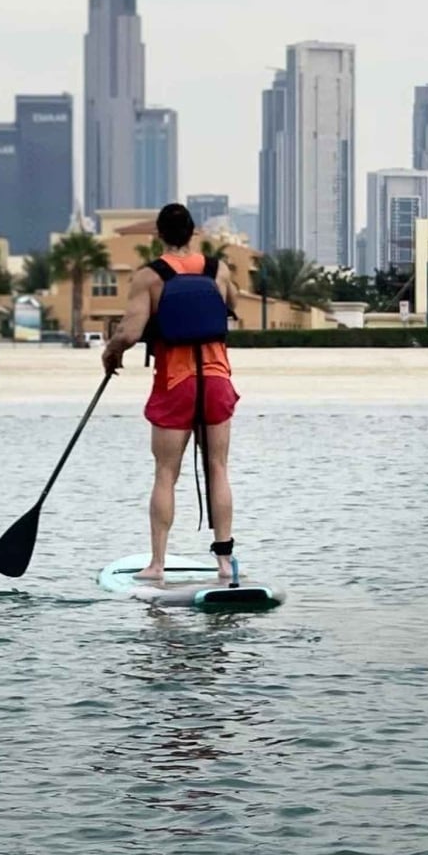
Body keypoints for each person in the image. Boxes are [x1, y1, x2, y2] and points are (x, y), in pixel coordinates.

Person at [102, 203, 239, 583]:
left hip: (176, 383)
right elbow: (232, 306)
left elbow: (129, 332)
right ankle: (225, 563)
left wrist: (110, 353)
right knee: (218, 469)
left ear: (159, 235)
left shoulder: (149, 276)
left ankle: (157, 564)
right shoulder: (218, 270)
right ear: (193, 232)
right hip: (216, 379)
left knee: (165, 473)